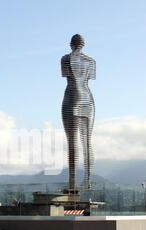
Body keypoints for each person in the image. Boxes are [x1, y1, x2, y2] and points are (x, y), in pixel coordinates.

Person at [61, 34, 96, 190]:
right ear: (83, 44)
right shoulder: (91, 61)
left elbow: (68, 77)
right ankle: (87, 181)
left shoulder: (65, 59)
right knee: (87, 141)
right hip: (88, 99)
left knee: (72, 142)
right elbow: (89, 79)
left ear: (70, 45)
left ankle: (72, 182)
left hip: (72, 97)